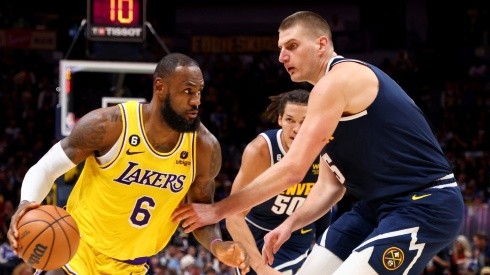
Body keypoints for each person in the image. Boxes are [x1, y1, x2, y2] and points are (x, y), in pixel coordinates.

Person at [171, 11, 464, 275]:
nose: (282, 57)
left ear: (321, 45)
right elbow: (330, 186)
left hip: (425, 203)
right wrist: (290, 224)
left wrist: (217, 210)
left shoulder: (337, 81)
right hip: (373, 207)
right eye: (281, 49)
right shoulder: (323, 101)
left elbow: (293, 169)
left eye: (292, 46)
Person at [7, 53, 249, 275]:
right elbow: (46, 168)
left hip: (132, 267)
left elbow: (201, 215)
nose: (196, 101)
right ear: (160, 87)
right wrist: (26, 204)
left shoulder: (204, 148)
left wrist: (218, 246)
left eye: (199, 92)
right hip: (75, 250)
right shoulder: (109, 126)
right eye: (187, 91)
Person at [226, 89, 331, 274]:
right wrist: (259, 267)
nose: (297, 129)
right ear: (280, 119)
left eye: (304, 121)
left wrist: (324, 245)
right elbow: (232, 215)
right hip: (255, 232)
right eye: (290, 120)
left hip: (297, 234)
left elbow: (325, 199)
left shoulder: (326, 148)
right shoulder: (261, 151)